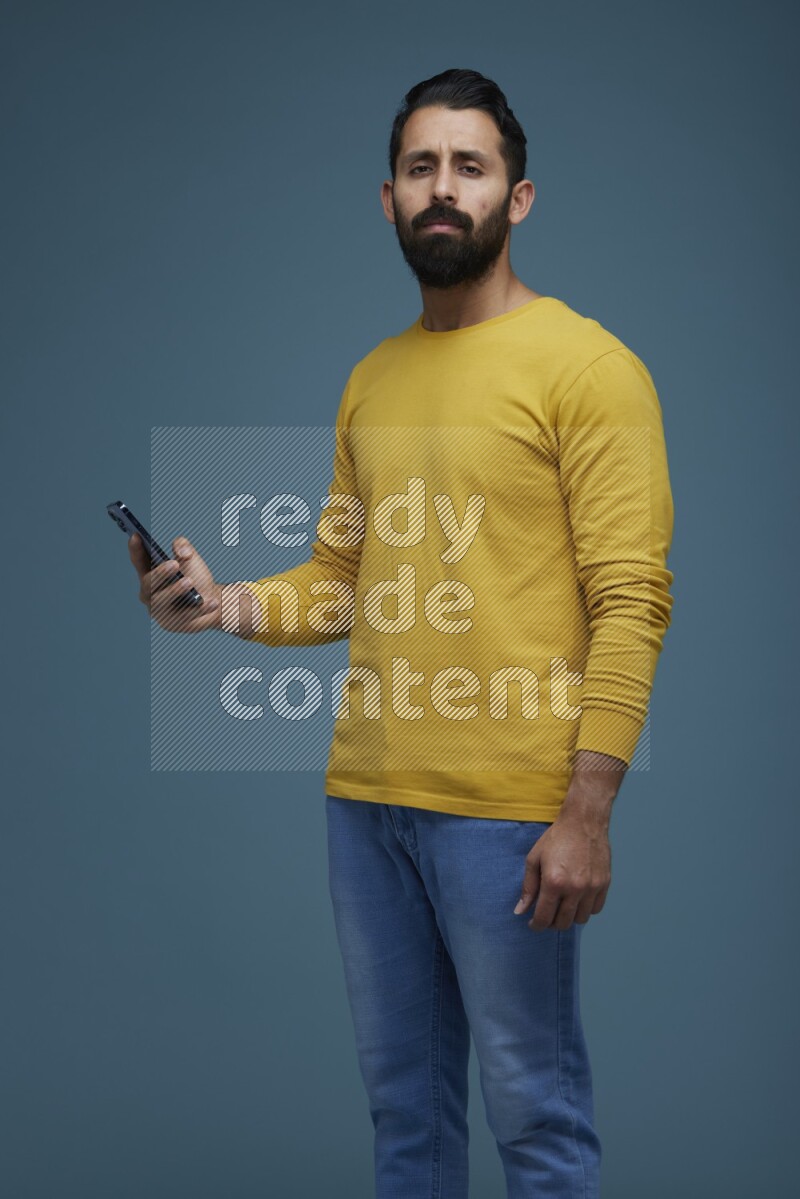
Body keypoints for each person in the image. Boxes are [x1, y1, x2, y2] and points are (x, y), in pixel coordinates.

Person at [130, 67, 675, 1199]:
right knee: (405, 1120)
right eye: (421, 166)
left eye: (468, 166)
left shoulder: (588, 366)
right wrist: (218, 601)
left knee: (535, 1111)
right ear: (387, 198)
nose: (443, 187)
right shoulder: (372, 379)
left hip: (508, 815)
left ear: (515, 198)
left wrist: (586, 809)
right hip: (367, 805)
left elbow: (631, 598)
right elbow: (341, 582)